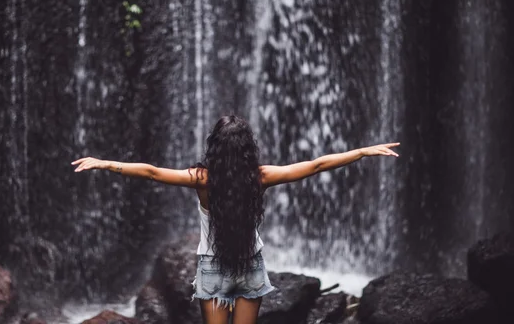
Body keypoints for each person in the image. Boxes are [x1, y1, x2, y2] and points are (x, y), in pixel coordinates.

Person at [71, 115, 399, 324]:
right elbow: (315, 166)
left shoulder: (201, 178)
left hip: (212, 266)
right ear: (247, 150)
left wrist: (104, 163)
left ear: (215, 148)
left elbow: (152, 172)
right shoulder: (261, 176)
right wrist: (362, 152)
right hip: (249, 264)